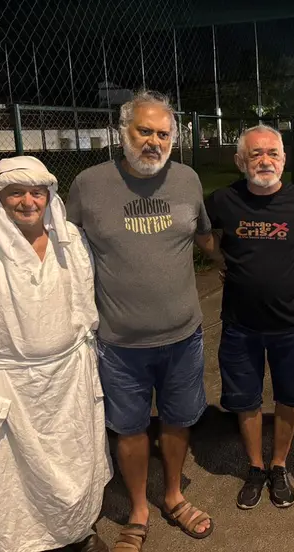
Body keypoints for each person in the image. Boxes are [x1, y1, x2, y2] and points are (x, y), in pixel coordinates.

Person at [0, 157, 112, 552]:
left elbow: (84, 305)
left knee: (79, 464)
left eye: (37, 192)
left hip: (71, 378)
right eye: (16, 192)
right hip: (17, 388)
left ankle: (80, 534)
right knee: (22, 485)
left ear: (49, 195)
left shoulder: (71, 239)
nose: (28, 201)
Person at [67, 91, 216, 549]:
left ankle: (172, 495)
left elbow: (208, 238)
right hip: (118, 342)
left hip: (183, 336)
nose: (154, 141)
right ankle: (138, 507)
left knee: (177, 419)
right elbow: (63, 252)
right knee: (128, 426)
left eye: (163, 133)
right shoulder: (89, 186)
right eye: (144, 131)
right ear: (123, 131)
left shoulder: (188, 180)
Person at [204, 125, 294, 511]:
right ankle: (255, 467)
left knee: (289, 399)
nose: (265, 160)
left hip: (289, 324)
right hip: (240, 324)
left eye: (272, 153)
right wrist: (222, 261)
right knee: (246, 401)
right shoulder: (222, 199)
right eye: (255, 154)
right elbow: (198, 231)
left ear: (284, 160)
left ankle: (279, 465)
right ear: (241, 161)